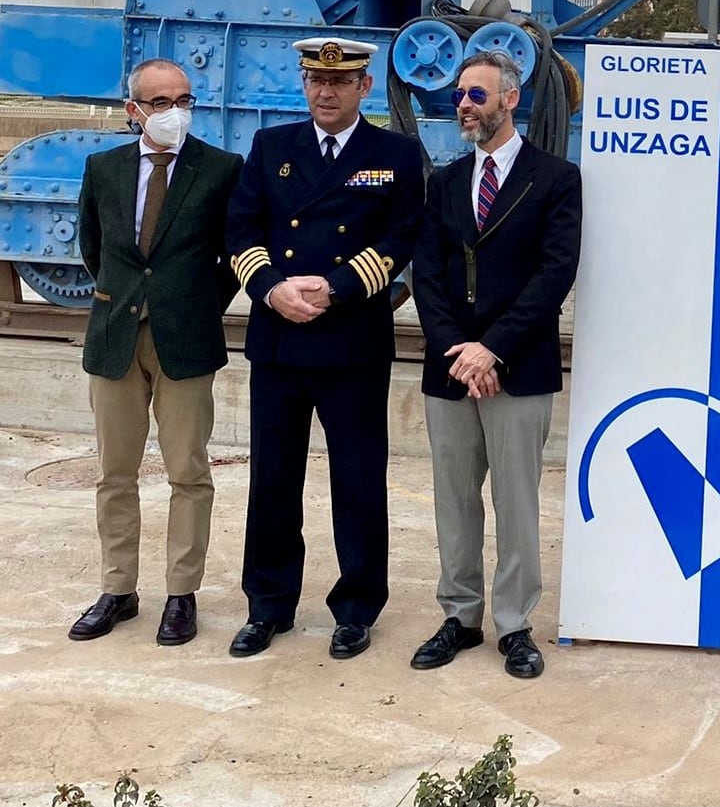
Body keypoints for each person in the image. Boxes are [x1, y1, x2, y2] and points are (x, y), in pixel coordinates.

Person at [224, 36, 426, 660]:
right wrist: (270, 288)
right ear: (304, 84)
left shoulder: (394, 153)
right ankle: (268, 604)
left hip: (352, 342)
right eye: (315, 80)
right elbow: (240, 229)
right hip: (281, 339)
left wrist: (336, 288)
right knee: (273, 479)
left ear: (364, 87)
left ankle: (358, 606)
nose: (326, 91)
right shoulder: (270, 146)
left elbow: (401, 238)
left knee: (359, 481)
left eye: (339, 82)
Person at [408, 50, 582, 682]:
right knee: (454, 500)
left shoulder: (557, 179)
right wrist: (459, 349)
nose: (463, 106)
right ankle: (460, 615)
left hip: (517, 366)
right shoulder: (445, 183)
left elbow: (554, 273)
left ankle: (514, 624)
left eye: (476, 96)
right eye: (459, 95)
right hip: (451, 368)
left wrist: (494, 348)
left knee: (516, 501)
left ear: (511, 99)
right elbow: (427, 273)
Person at [69, 59, 243, 646]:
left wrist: (192, 305)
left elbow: (231, 260)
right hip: (115, 337)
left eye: (184, 100)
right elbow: (93, 247)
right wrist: (125, 299)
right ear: (134, 110)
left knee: (188, 473)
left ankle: (180, 593)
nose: (176, 112)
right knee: (114, 474)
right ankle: (118, 589)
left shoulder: (219, 169)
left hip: (185, 341)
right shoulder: (103, 168)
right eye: (162, 102)